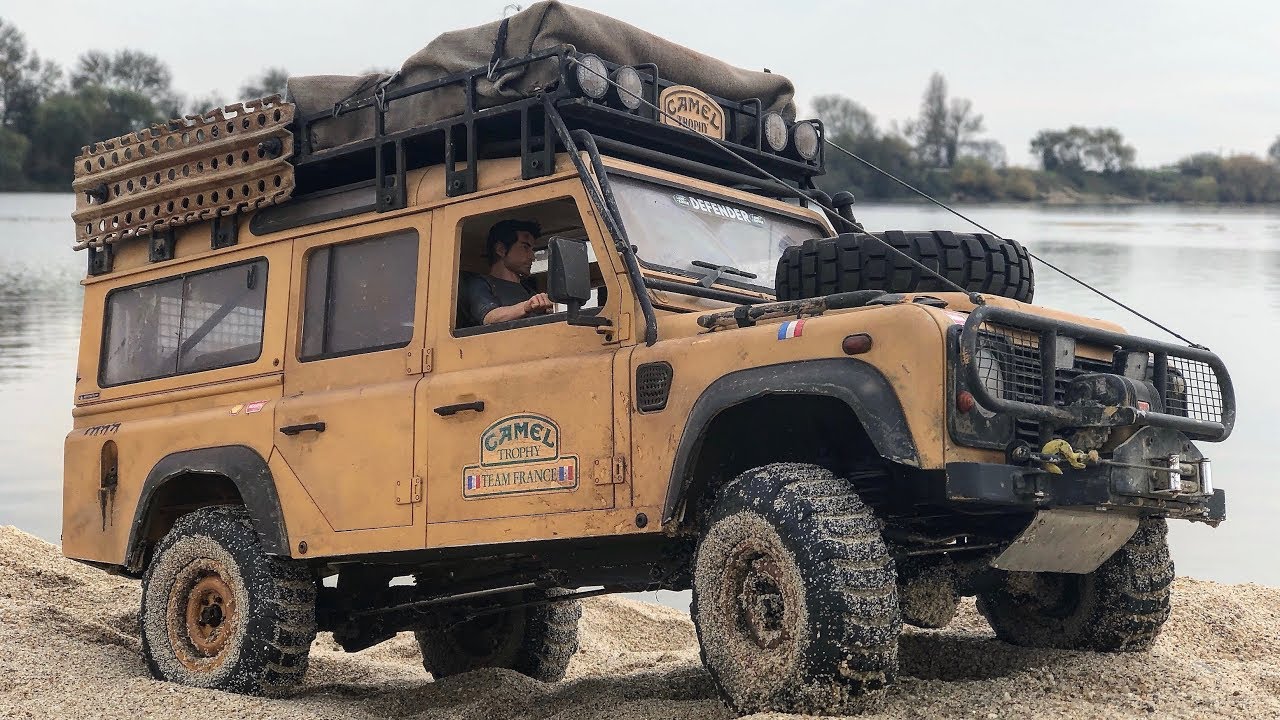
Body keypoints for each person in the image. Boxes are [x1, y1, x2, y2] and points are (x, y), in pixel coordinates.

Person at [461, 219, 555, 326]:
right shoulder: (480, 283)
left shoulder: (529, 291)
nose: (532, 256)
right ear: (501, 249)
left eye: (532, 249)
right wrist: (526, 307)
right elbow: (489, 317)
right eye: (525, 247)